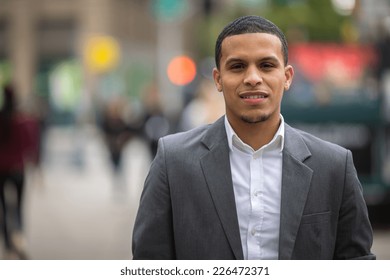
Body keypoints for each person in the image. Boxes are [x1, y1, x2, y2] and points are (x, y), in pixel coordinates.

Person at [132, 15, 375, 260]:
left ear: (287, 77)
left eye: (266, 65)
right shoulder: (173, 162)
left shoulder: (333, 165)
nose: (252, 78)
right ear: (218, 79)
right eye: (237, 66)